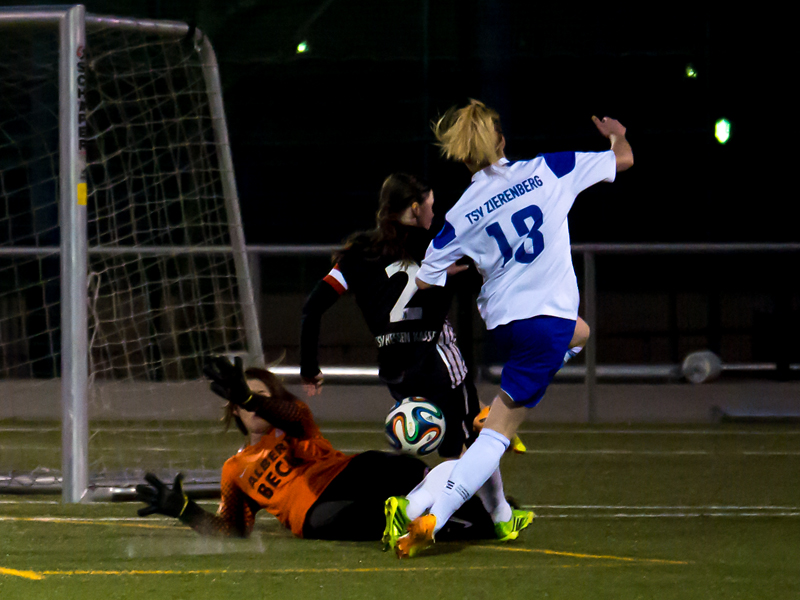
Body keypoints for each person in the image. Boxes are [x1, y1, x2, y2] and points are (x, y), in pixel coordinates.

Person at [391, 100, 633, 558]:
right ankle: (429, 514)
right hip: (545, 321)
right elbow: (623, 159)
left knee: (580, 333)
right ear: (502, 143)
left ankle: (441, 496)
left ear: (464, 157)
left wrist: (468, 260)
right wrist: (616, 134)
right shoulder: (548, 171)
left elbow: (425, 278)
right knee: (496, 436)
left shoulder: (459, 214)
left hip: (506, 325)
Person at [134, 357, 505, 543]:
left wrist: (253, 397)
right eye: (242, 402)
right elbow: (234, 529)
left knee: (397, 467)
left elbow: (289, 413)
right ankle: (457, 526)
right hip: (313, 512)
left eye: (259, 398)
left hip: (347, 473)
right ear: (233, 411)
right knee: (371, 517)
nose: (251, 406)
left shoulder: (293, 421)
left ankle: (485, 512)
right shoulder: (234, 470)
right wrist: (184, 510)